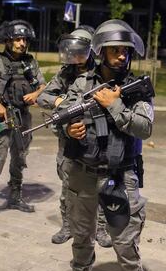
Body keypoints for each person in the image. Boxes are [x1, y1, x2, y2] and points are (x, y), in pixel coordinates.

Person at [54, 19, 154, 271]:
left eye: (125, 51)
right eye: (114, 50)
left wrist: (115, 106)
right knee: (82, 235)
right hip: (82, 173)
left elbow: (144, 128)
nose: (121, 56)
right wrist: (70, 128)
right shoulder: (82, 84)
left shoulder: (137, 89)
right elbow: (61, 118)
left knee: (125, 243)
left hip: (120, 176)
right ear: (101, 51)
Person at [37, 26, 113, 248]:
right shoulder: (66, 73)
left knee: (101, 185)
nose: (76, 56)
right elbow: (43, 97)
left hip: (96, 137)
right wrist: (63, 103)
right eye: (73, 51)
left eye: (81, 51)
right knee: (68, 186)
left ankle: (100, 229)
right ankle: (68, 226)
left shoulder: (100, 73)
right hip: (68, 138)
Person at [0, 20, 46, 223]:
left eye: (24, 39)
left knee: (20, 156)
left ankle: (15, 196)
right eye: (18, 39)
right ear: (8, 41)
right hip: (3, 117)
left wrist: (36, 94)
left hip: (23, 116)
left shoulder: (30, 62)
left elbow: (43, 85)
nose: (22, 43)